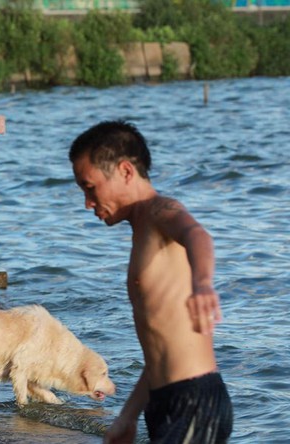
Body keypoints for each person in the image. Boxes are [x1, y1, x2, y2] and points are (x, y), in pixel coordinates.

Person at [69, 121, 232, 443]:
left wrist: (203, 284)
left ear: (126, 172)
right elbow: (159, 352)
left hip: (195, 401)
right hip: (163, 402)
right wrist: (127, 417)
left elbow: (196, 234)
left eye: (90, 187)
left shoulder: (160, 211)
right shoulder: (140, 229)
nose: (87, 202)